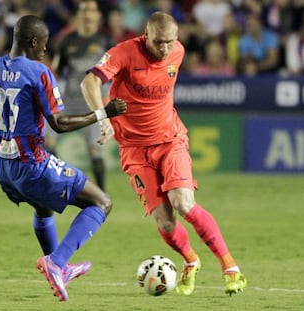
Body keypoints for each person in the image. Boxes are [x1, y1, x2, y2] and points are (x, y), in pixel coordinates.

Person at [0, 14, 126, 302]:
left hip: (3, 168)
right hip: (33, 164)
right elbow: (59, 123)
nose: (45, 50)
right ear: (33, 42)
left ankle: (59, 267)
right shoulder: (39, 72)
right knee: (102, 202)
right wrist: (104, 113)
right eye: (44, 44)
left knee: (43, 209)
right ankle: (57, 263)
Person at [80, 11, 247, 296]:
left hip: (170, 139)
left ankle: (231, 268)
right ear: (146, 35)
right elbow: (90, 83)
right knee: (166, 222)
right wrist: (104, 118)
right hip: (134, 149)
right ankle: (191, 261)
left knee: (183, 202)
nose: (165, 49)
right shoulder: (124, 52)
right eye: (158, 42)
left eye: (170, 42)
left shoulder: (177, 52)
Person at [45, 0, 114, 190]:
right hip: (69, 101)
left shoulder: (106, 42)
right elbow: (56, 73)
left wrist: (108, 99)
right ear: (78, 16)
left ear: (98, 16)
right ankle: (62, 183)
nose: (88, 15)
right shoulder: (67, 42)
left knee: (95, 150)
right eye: (84, 11)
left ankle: (101, 194)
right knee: (47, 142)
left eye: (92, 11)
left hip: (94, 103)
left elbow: (116, 74)